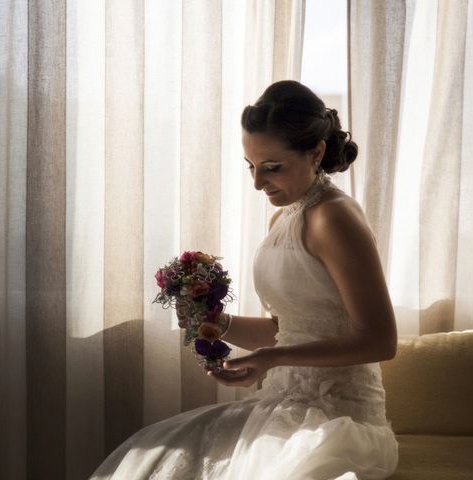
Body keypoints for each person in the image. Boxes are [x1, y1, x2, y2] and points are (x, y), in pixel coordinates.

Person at [89, 80, 399, 480]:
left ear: (317, 152)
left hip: (339, 420)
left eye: (272, 167)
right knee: (152, 457)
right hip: (280, 406)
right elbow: (288, 331)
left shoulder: (334, 217)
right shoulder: (284, 216)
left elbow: (380, 340)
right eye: (251, 167)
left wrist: (271, 359)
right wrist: (222, 324)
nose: (257, 183)